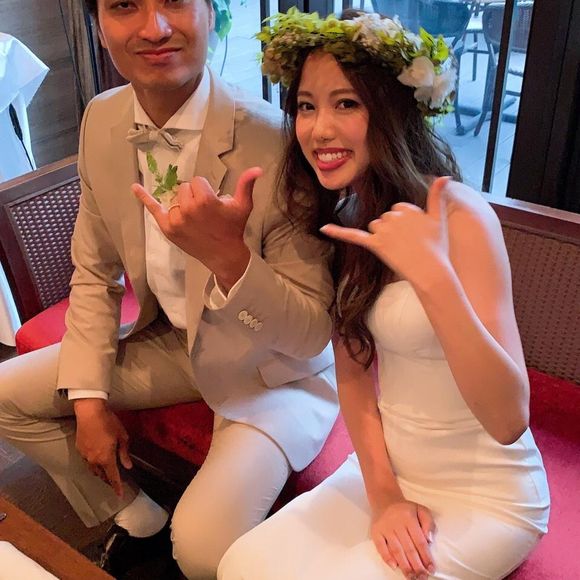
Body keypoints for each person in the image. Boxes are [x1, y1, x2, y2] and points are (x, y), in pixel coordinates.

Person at [0, 1, 338, 578]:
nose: (154, 28)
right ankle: (135, 516)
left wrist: (230, 258)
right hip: (176, 345)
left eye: (175, 0)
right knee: (6, 396)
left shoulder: (278, 141)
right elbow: (94, 273)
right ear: (98, 25)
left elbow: (310, 333)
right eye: (125, 5)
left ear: (212, 12)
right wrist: (89, 401)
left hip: (273, 369)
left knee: (201, 552)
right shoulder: (103, 118)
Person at [218, 9, 550, 580]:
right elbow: (351, 376)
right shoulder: (348, 212)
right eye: (306, 106)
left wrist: (433, 278)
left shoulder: (461, 216)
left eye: (346, 103)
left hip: (487, 496)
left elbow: (508, 419)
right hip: (387, 473)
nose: (318, 129)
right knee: (240, 565)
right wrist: (385, 496)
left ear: (393, 111)